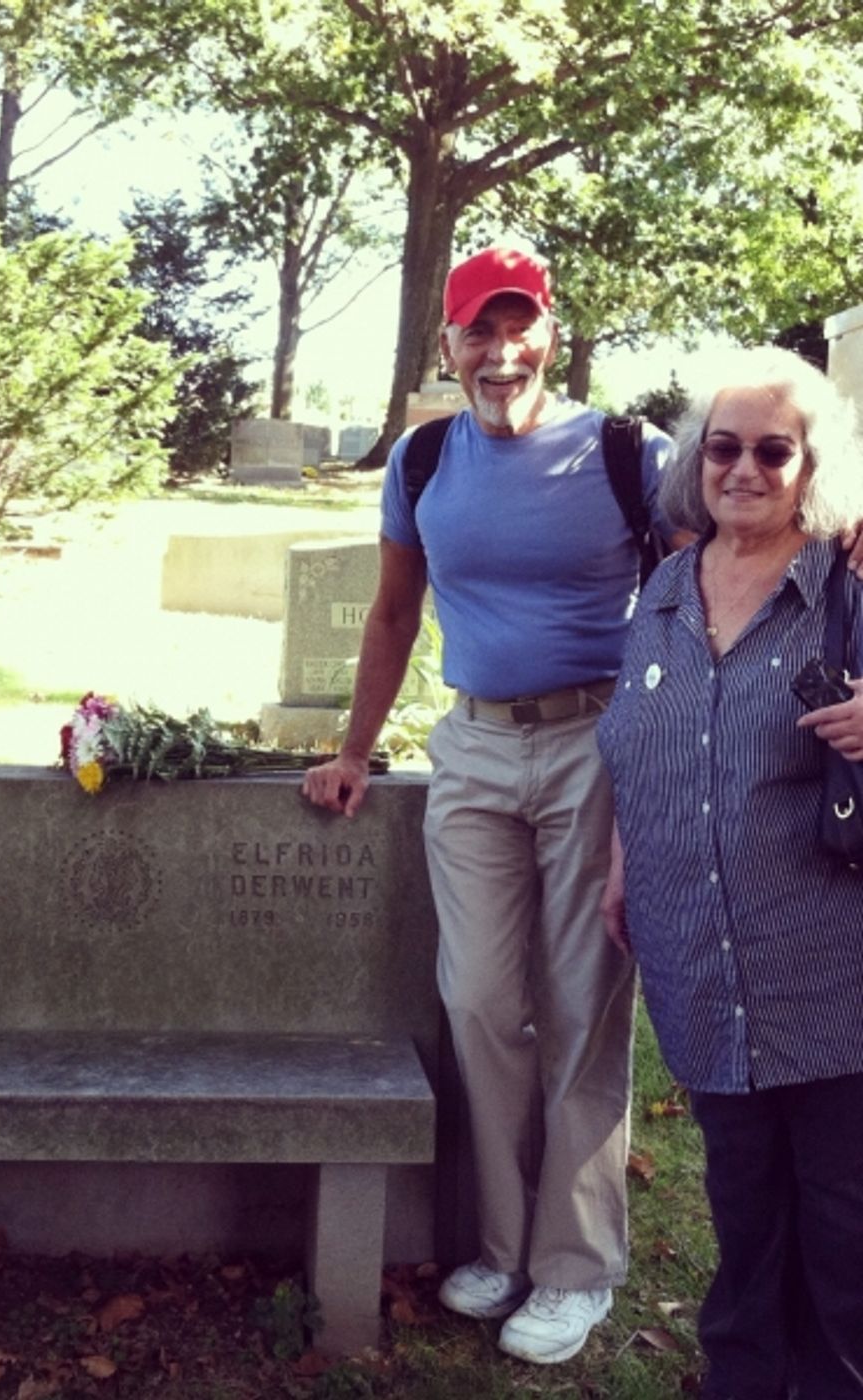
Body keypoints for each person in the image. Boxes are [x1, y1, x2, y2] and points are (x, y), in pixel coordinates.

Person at [301, 246, 684, 1364]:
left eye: (519, 328)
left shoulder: (627, 454)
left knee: (577, 1007)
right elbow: (388, 615)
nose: (499, 350)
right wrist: (353, 751)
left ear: (550, 337)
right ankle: (499, 1244)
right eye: (479, 329)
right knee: (474, 999)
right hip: (469, 746)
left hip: (595, 745)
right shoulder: (422, 460)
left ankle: (573, 1268)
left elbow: (704, 580)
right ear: (449, 344)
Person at [598, 347, 863, 1397]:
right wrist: (622, 861)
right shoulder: (664, 585)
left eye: (771, 449)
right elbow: (635, 739)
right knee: (744, 1201)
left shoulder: (847, 576)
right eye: (722, 446)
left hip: (827, 964)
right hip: (695, 956)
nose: (742, 468)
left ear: (809, 465)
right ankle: (743, 1378)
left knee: (840, 1211)